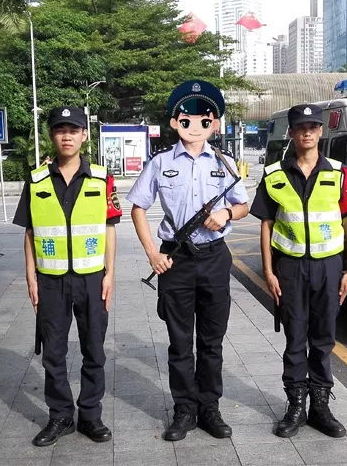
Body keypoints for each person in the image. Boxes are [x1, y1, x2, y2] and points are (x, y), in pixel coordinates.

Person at [127, 80, 249, 441]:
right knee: (180, 342)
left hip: (214, 259)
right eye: (186, 118)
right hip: (175, 260)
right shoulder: (161, 162)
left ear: (214, 124)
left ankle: (209, 407)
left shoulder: (225, 163)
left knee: (212, 341)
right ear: (174, 122)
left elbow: (243, 205)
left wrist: (226, 213)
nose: (195, 125)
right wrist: (153, 252)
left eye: (203, 119)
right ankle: (184, 410)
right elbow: (137, 208)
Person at [249, 103, 347, 439]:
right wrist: (268, 272)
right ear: (291, 132)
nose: (307, 132)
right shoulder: (274, 175)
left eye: (313, 127)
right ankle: (296, 405)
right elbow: (266, 225)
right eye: (301, 127)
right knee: (295, 339)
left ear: (321, 131)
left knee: (324, 339)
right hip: (290, 268)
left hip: (329, 267)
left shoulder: (340, 173)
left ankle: (320, 407)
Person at [12, 106, 121, 447]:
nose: (67, 136)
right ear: (51, 135)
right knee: (53, 353)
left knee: (94, 351)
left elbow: (110, 228)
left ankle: (90, 416)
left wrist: (110, 275)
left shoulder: (102, 178)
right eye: (60, 130)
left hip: (92, 279)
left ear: (84, 135)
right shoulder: (36, 180)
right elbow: (30, 231)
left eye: (73, 130)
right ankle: (60, 416)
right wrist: (30, 277)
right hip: (51, 280)